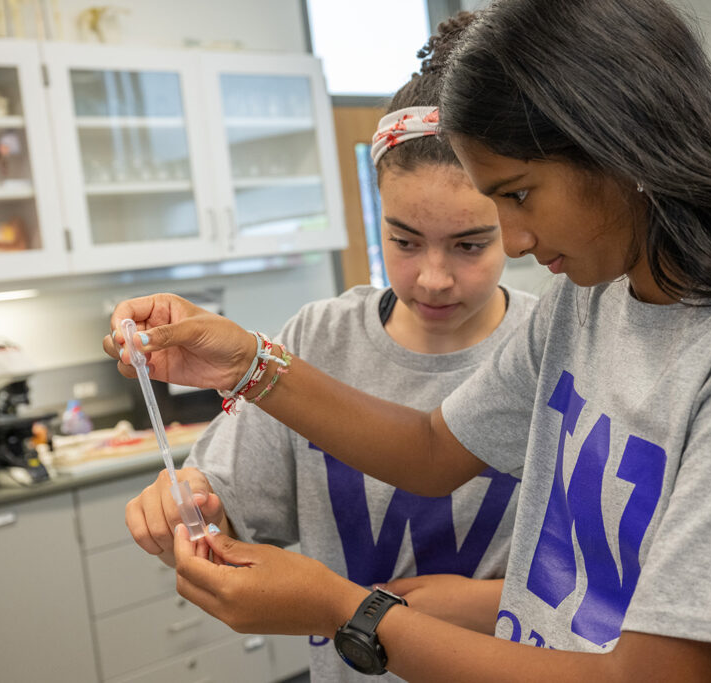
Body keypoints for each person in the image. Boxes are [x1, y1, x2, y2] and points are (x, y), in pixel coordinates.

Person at [105, 2, 711, 681]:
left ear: (621, 147)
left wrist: (348, 611)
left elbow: (656, 675)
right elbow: (430, 450)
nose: (516, 244)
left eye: (517, 198)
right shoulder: (597, 292)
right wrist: (247, 364)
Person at [121, 13, 535, 682]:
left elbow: (604, 582)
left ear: (517, 221)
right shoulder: (316, 339)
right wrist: (190, 501)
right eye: (403, 241)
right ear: (376, 213)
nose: (432, 277)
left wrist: (491, 603)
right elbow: (224, 496)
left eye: (469, 244)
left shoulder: (548, 350)